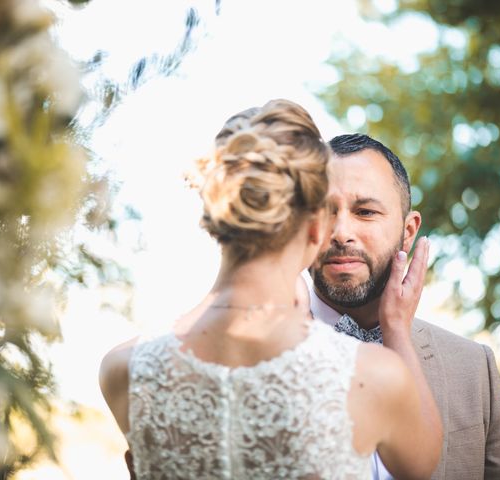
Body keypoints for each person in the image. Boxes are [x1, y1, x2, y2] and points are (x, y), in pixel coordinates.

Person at [99, 100, 442, 479]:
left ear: (216, 220)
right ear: (316, 228)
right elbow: (422, 468)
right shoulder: (373, 375)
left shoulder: (123, 369)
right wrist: (396, 326)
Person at [308, 133, 500, 479]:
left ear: (408, 232)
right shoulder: (253, 353)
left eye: (365, 212)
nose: (341, 231)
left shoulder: (474, 369)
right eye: (323, 211)